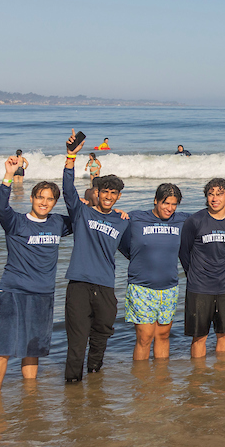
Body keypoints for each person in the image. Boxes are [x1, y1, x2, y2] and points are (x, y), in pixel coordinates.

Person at [0, 156, 73, 389]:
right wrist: (8, 175)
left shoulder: (58, 223)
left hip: (43, 294)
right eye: (40, 197)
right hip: (13, 291)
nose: (44, 203)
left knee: (32, 349)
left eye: (49, 199)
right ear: (32, 198)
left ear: (54, 203)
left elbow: (84, 217)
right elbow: (1, 207)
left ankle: (30, 399)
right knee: (3, 348)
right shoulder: (15, 222)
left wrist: (102, 205)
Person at [60, 134, 129, 383]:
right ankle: (72, 385)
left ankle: (95, 377)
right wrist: (70, 157)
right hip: (79, 284)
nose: (109, 196)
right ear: (97, 192)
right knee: (77, 339)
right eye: (105, 192)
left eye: (114, 193)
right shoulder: (82, 213)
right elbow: (68, 191)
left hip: (106, 286)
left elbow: (135, 251)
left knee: (102, 335)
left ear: (119, 196)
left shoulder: (122, 222)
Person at [118, 183, 190, 361]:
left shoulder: (181, 220)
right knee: (145, 337)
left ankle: (161, 380)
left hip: (169, 288)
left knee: (163, 335)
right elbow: (122, 242)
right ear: (156, 200)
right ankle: (142, 383)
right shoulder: (135, 218)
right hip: (141, 287)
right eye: (166, 203)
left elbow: (210, 216)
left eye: (174, 204)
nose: (170, 208)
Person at [179, 178, 225, 357]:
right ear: (206, 197)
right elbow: (184, 252)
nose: (215, 198)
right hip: (199, 287)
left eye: (219, 194)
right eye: (211, 194)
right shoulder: (195, 221)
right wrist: (194, 274)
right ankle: (198, 378)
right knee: (199, 336)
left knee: (224, 334)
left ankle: (221, 380)